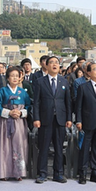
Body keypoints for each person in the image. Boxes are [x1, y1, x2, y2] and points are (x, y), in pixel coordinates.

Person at [32, 55, 72, 183]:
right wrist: (36, 118)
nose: (54, 64)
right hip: (45, 119)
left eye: (56, 62)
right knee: (43, 147)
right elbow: (36, 102)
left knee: (59, 148)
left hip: (60, 119)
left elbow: (68, 102)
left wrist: (69, 118)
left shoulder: (64, 81)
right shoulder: (40, 81)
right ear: (46, 66)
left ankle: (58, 173)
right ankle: (42, 173)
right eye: (52, 63)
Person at [0, 67, 30, 180]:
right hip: (4, 122)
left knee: (19, 145)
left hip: (19, 122)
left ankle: (18, 172)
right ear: (7, 78)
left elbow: (28, 106)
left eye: (17, 76)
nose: (15, 78)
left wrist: (20, 112)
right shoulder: (2, 91)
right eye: (12, 75)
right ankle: (3, 172)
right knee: (4, 146)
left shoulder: (22, 92)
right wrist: (9, 112)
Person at [75, 63, 96, 184]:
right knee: (85, 148)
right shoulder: (83, 87)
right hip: (87, 122)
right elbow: (78, 106)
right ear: (88, 73)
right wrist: (78, 120)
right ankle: (82, 173)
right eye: (95, 69)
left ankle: (95, 173)